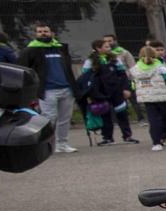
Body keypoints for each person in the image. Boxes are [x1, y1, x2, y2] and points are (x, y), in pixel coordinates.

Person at [22, 23, 79, 155]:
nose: (43, 33)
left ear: (51, 33)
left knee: (65, 118)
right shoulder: (30, 51)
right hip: (47, 90)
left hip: (66, 89)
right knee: (49, 119)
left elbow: (68, 69)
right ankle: (47, 145)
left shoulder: (60, 48)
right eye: (40, 31)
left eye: (46, 31)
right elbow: (24, 69)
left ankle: (62, 144)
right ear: (36, 34)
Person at [76, 37, 138, 144]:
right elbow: (85, 78)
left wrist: (126, 88)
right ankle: (107, 137)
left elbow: (122, 75)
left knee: (122, 113)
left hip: (116, 91)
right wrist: (89, 93)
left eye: (109, 46)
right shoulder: (90, 61)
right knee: (105, 114)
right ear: (98, 48)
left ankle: (127, 136)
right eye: (106, 46)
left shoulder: (115, 59)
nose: (109, 48)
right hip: (100, 93)